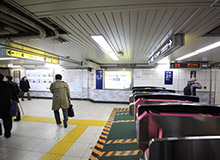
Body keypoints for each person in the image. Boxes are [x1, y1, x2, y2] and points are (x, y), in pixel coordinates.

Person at [0, 73, 13, 138]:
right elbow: (12, 94)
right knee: (7, 120)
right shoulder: (7, 85)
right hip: (5, 105)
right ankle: (7, 133)